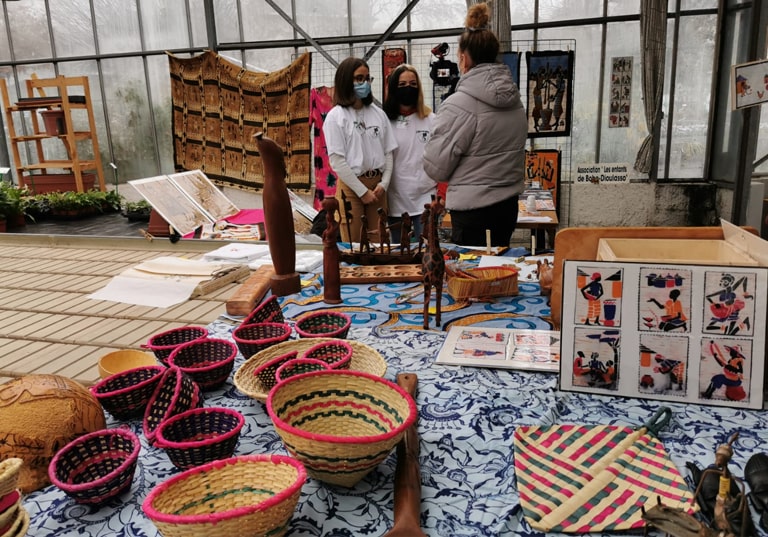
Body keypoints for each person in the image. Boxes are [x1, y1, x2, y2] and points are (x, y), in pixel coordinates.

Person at [423, 2, 527, 247]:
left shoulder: (459, 105)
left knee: (472, 278)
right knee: (498, 273)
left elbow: (436, 167)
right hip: (507, 206)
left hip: (473, 212)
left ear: (464, 58)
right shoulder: (516, 102)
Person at [323, 57, 398, 244]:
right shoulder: (336, 117)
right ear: (346, 80)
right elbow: (337, 161)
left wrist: (384, 183)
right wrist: (362, 192)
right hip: (352, 187)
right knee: (355, 244)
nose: (364, 84)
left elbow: (388, 151)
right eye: (358, 79)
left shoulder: (378, 114)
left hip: (378, 185)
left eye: (367, 78)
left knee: (379, 242)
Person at [383, 64, 436, 244]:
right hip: (395, 198)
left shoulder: (431, 119)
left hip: (425, 197)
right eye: (402, 84)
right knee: (398, 253)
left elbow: (442, 157)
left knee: (427, 250)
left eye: (413, 84)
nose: (408, 88)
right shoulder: (385, 121)